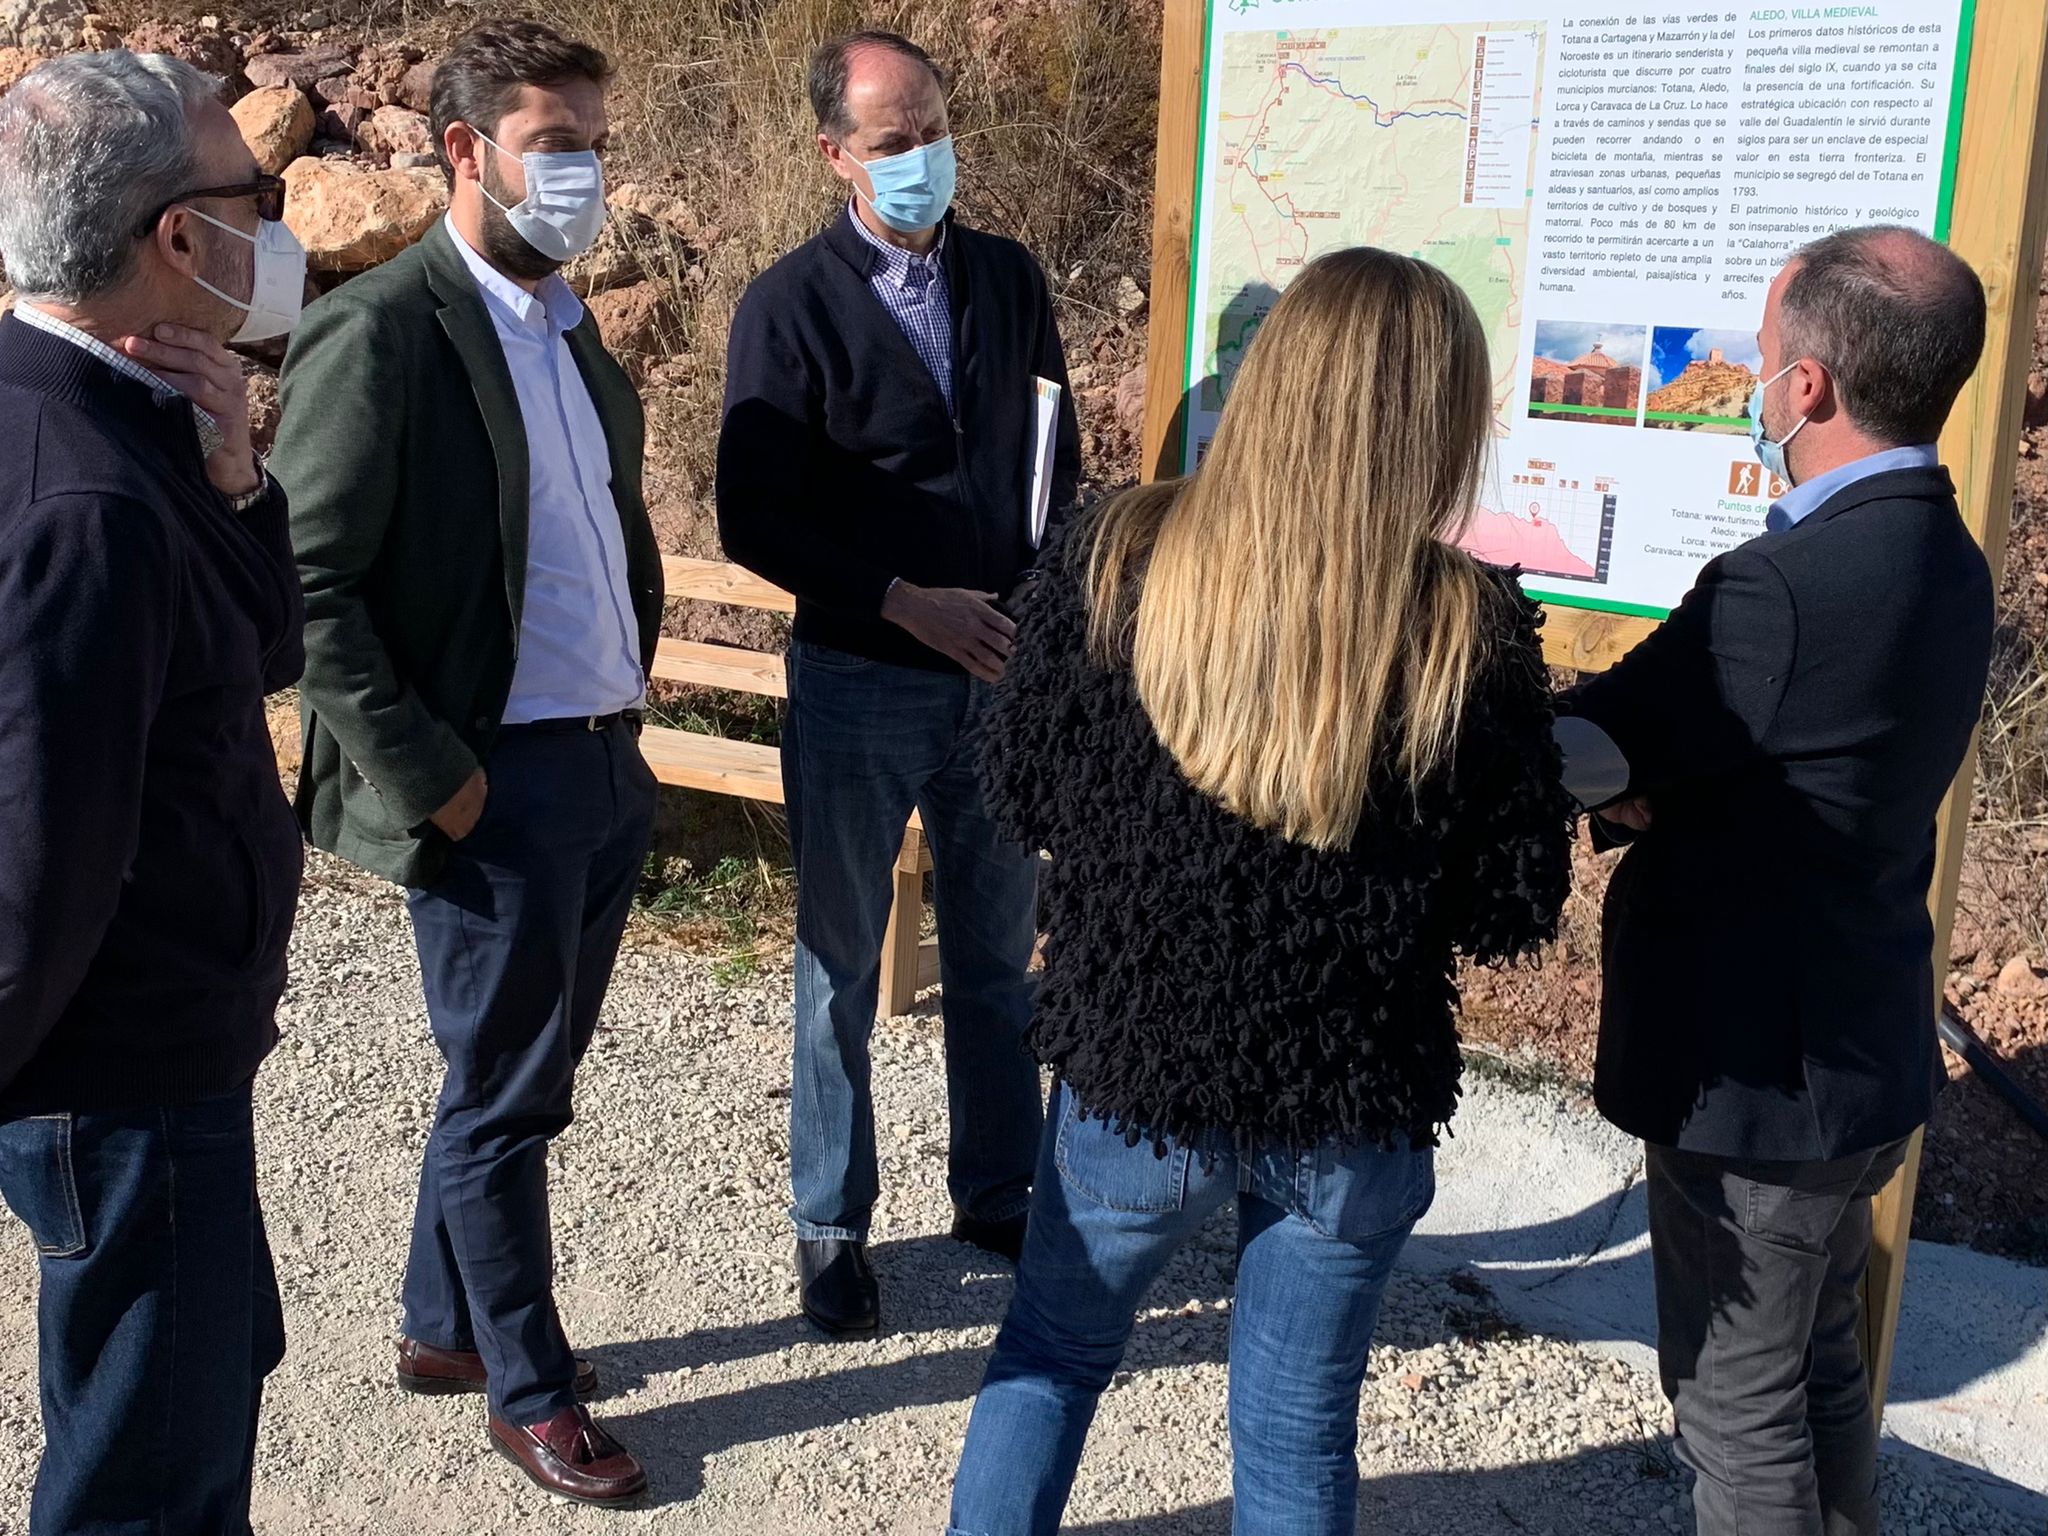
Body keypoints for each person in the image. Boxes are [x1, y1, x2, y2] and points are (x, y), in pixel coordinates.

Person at [945, 247, 1576, 1536]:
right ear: (1435, 418)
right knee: (1291, 1440)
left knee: (1050, 1365)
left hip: (1136, 1069)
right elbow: (1513, 906)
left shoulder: (1116, 555)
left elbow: (1022, 791)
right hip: (1351, 1089)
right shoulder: (1465, 624)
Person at [270, 19, 661, 1507]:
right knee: (507, 1101)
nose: (584, 175)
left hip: (602, 765)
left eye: (593, 145)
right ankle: (531, 1388)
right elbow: (309, 588)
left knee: (527, 1077)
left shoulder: (566, 324)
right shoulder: (383, 332)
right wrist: (437, 777)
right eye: (556, 145)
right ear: (463, 150)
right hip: (495, 785)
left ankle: (445, 1329)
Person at [1554, 225, 1993, 1536]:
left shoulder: (1782, 586)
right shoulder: (1942, 552)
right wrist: (1664, 771)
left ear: (1807, 389)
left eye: (1761, 354)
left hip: (1755, 1076)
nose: (1750, 377)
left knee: (1733, 1409)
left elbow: (1590, 745)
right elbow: (1789, 749)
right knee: (1820, 1372)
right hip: (1859, 1045)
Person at [715, 29, 1081, 1337]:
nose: (922, 155)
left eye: (932, 124)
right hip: (863, 685)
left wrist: (1039, 610)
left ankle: (1000, 1192)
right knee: (839, 967)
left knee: (992, 953)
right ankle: (833, 1230)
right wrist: (901, 600)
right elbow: (751, 516)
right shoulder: (788, 306)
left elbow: (1054, 460)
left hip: (998, 680)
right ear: (834, 156)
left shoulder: (1007, 277)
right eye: (889, 140)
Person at [0, 50, 306, 1533]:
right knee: (145, 1488)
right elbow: (41, 850)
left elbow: (259, 649)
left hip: (165, 1061)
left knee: (197, 1391)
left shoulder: (128, 410)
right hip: (122, 1076)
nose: (276, 224)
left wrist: (240, 477)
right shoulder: (84, 489)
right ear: (177, 240)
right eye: (254, 195)